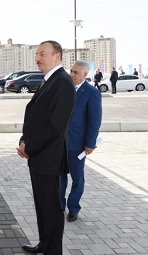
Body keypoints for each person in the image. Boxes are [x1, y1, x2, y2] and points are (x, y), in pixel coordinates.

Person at [16, 40, 75, 255]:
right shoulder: (50, 80)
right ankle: (44, 244)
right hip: (39, 156)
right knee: (41, 206)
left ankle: (52, 251)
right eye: (37, 54)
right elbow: (37, 117)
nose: (37, 58)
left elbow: (55, 126)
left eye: (42, 54)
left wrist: (28, 147)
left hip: (48, 158)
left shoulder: (62, 82)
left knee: (51, 210)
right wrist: (25, 141)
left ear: (57, 56)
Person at [61, 60, 102, 223]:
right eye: (71, 71)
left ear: (85, 74)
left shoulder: (92, 93)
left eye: (75, 72)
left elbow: (94, 121)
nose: (71, 74)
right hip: (60, 143)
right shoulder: (64, 90)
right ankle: (59, 207)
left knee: (77, 179)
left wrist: (90, 144)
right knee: (60, 177)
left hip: (77, 144)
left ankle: (73, 208)